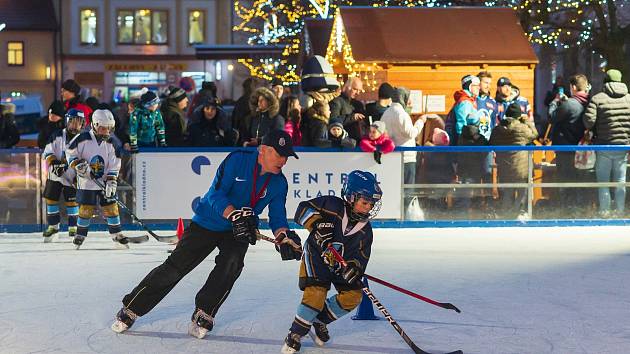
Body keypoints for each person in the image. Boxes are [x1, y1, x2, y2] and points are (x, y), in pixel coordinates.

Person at [111, 129, 301, 339]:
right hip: (208, 222)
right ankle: (131, 308)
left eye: (287, 156)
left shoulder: (279, 183)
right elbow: (215, 193)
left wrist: (283, 236)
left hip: (238, 231)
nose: (283, 161)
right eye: (279, 154)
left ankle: (204, 312)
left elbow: (278, 218)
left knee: (231, 267)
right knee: (175, 267)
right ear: (263, 150)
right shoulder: (238, 160)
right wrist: (234, 215)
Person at [281, 170, 382, 354]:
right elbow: (302, 209)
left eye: (371, 204)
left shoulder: (365, 231)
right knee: (316, 293)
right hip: (316, 257)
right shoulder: (332, 204)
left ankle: (318, 320)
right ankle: (295, 334)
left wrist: (354, 269)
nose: (368, 208)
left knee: (353, 296)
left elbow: (360, 259)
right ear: (351, 197)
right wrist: (317, 224)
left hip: (338, 266)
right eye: (365, 202)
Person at [66, 109, 127, 249]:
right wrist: (78, 165)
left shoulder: (113, 142)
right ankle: (80, 234)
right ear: (94, 124)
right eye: (103, 128)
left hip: (105, 182)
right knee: (86, 209)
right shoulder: (82, 139)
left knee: (111, 207)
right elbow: (70, 153)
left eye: (109, 128)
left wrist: (112, 181)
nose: (106, 131)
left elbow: (115, 163)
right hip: (87, 182)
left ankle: (117, 234)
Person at [583, 69, 630, 217]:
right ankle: (620, 211)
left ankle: (605, 211)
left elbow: (589, 122)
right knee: (620, 180)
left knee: (603, 182)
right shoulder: (629, 99)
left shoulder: (598, 98)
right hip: (623, 147)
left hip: (603, 146)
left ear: (606, 81)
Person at [548, 74, 590, 214]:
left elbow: (552, 117)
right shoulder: (589, 102)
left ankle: (567, 209)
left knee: (565, 179)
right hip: (583, 148)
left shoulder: (570, 103)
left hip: (566, 147)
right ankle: (579, 208)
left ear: (573, 87)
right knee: (580, 179)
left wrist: (555, 101)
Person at [41, 109, 85, 241]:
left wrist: (81, 174)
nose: (74, 125)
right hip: (55, 174)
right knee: (51, 200)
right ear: (67, 121)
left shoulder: (85, 139)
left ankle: (73, 227)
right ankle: (53, 226)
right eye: (72, 121)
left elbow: (87, 157)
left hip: (72, 175)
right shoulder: (57, 135)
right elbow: (48, 151)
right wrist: (54, 163)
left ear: (82, 124)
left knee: (72, 201)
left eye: (78, 122)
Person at [490, 103, 538, 220]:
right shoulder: (521, 128)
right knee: (522, 190)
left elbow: (492, 143)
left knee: (507, 191)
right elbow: (534, 134)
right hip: (520, 167)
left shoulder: (498, 129)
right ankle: (521, 212)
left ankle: (506, 213)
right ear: (518, 116)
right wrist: (527, 122)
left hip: (504, 167)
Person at [381, 87, 422, 183]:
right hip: (406, 158)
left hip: (391, 156)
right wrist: (420, 122)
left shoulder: (386, 113)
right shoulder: (401, 113)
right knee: (407, 191)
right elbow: (411, 133)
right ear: (403, 98)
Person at [445, 75, 480, 144]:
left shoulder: (469, 101)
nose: (479, 88)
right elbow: (461, 122)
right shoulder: (465, 102)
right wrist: (461, 141)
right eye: (476, 85)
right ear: (469, 87)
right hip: (463, 140)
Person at [329, 77, 366, 141]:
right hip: (342, 142)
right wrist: (352, 117)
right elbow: (333, 122)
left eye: (359, 90)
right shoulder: (336, 102)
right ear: (346, 87)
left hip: (359, 141)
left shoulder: (358, 104)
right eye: (355, 89)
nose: (358, 93)